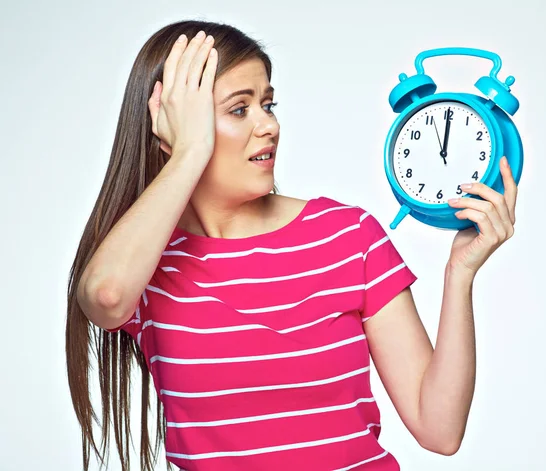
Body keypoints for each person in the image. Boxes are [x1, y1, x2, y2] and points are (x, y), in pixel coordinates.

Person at [66, 19, 518, 471]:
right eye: (239, 109)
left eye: (268, 104)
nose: (269, 125)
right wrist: (188, 152)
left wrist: (460, 274)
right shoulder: (146, 264)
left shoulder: (348, 235)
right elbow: (104, 297)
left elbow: (439, 429)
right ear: (172, 124)